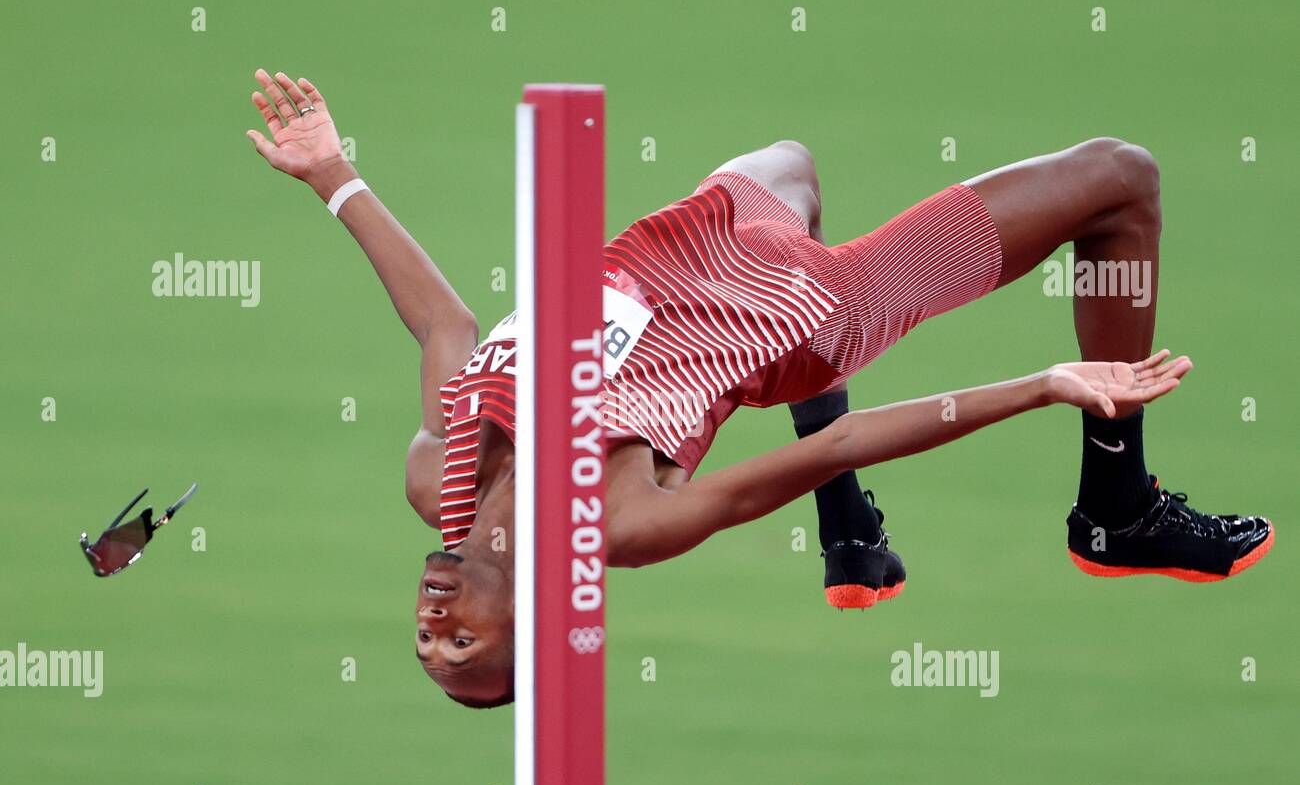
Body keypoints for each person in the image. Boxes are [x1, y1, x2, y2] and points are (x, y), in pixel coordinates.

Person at [245, 69, 1273, 709]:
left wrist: (334, 175)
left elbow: (447, 326)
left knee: (791, 164)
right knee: (1118, 176)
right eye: (462, 643)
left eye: (428, 645)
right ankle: (1116, 505)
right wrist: (1042, 383)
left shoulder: (441, 472)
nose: (432, 629)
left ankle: (849, 537)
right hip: (808, 311)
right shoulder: (621, 524)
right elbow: (833, 443)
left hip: (689, 240)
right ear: (527, 621)